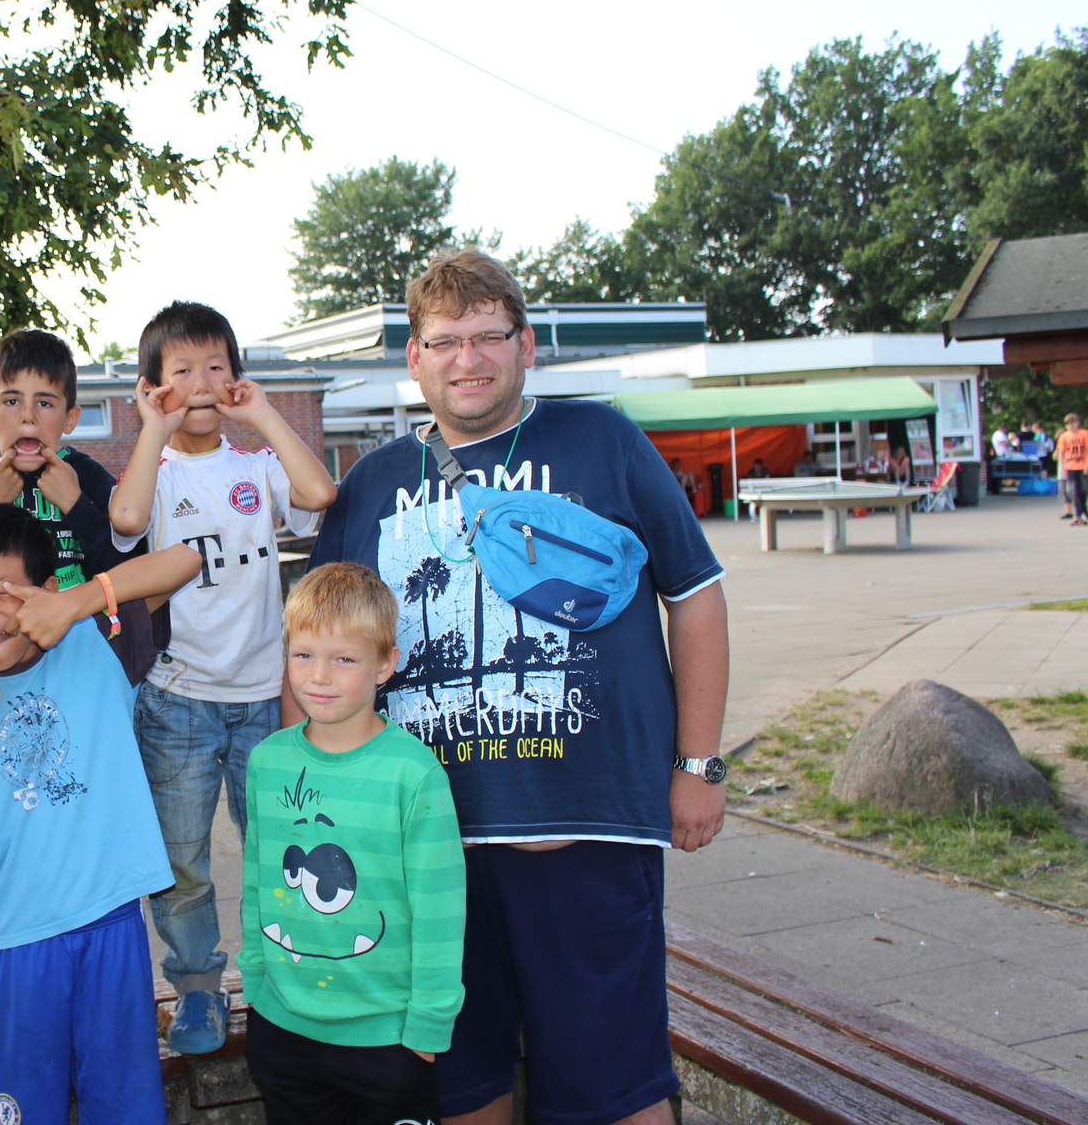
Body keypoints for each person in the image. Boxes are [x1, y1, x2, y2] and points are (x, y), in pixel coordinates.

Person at [306, 248, 730, 1125]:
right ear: (415, 357)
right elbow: (318, 655)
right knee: (463, 1083)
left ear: (526, 345)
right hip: (427, 850)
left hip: (584, 831)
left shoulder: (603, 440)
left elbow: (695, 595)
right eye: (444, 341)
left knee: (616, 1085)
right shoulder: (372, 484)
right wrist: (328, 808)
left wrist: (698, 765)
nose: (468, 359)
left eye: (489, 336)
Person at [106, 300, 339, 1053]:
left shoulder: (255, 467)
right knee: (182, 862)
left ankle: (281, 974)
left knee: (278, 848)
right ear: (152, 387)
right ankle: (199, 988)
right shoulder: (156, 471)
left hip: (263, 701)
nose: (203, 383)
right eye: (182, 371)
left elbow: (319, 496)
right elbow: (126, 519)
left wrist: (264, 415)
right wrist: (153, 428)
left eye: (217, 366)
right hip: (176, 700)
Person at [0, 504, 203, 1125]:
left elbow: (185, 560)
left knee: (126, 1103)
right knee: (31, 1107)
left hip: (112, 917)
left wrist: (78, 603)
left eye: (3, 592)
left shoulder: (98, 642)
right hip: (21, 936)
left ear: (45, 592)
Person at [240, 562, 465, 1125]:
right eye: (303, 654)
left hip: (388, 1041)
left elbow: (440, 913)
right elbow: (256, 882)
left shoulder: (414, 775)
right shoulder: (267, 762)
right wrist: (256, 985)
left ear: (385, 663)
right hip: (283, 1030)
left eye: (344, 659)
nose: (319, 676)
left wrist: (427, 1027)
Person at [0, 328, 125, 589]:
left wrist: (75, 504)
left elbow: (126, 569)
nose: (28, 416)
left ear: (70, 418)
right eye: (12, 401)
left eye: (44, 403)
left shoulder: (88, 476)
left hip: (81, 615)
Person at [1058, 413, 1088, 525]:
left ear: (1077, 423)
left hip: (1083, 466)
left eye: (1073, 424)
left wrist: (1087, 465)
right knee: (1074, 491)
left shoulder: (1084, 434)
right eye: (1068, 425)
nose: (1071, 426)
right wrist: (1062, 467)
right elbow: (1061, 453)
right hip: (1070, 466)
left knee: (1084, 489)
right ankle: (1078, 513)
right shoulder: (1064, 437)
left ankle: (1084, 508)